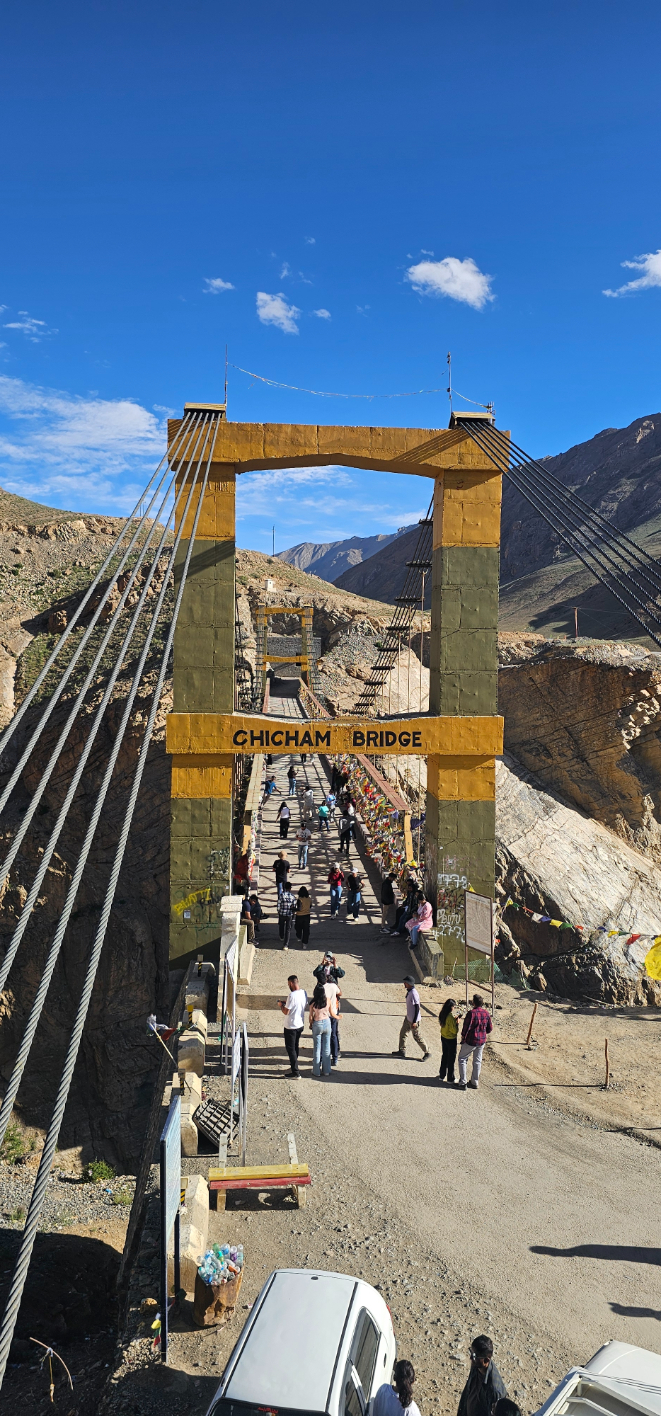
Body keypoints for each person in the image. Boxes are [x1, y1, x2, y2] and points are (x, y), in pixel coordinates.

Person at [457, 1336, 506, 1416]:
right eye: (471, 1352)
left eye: (474, 1356)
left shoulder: (494, 1391)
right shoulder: (477, 1365)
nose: (470, 1358)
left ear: (486, 1360)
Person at [457, 994, 493, 1090]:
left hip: (470, 1040)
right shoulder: (486, 1013)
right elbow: (489, 1029)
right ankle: (474, 1082)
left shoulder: (471, 1013)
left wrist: (463, 1037)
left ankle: (463, 1082)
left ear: (473, 1003)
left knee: (462, 1059)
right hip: (481, 1041)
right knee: (477, 1061)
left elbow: (466, 1028)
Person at [392, 975, 431, 1060]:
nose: (404, 983)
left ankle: (427, 1052)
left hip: (414, 1020)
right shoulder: (410, 992)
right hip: (408, 1018)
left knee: (417, 1037)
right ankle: (402, 1050)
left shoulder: (413, 993)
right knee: (403, 1033)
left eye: (406, 982)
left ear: (409, 983)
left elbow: (417, 1008)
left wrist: (414, 1021)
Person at [278, 973, 307, 1079]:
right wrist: (287, 1002)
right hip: (300, 1024)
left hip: (291, 1026)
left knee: (291, 1049)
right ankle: (294, 1066)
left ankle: (295, 1072)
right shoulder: (303, 992)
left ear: (291, 983)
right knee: (295, 1046)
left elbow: (286, 1011)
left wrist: (281, 1006)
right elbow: (297, 1003)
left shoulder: (291, 995)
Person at [309, 981, 331, 1077]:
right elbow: (331, 1012)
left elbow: (311, 1017)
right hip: (327, 1023)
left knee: (317, 1049)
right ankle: (326, 1070)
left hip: (317, 1023)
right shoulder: (327, 1000)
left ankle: (316, 1071)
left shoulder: (313, 1003)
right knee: (326, 1048)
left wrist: (311, 1024)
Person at [438, 998, 459, 1084]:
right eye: (454, 1006)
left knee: (445, 1056)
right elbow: (454, 1031)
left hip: (443, 1037)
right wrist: (457, 1023)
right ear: (451, 1007)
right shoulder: (450, 1017)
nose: (454, 1008)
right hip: (451, 1039)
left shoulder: (443, 1013)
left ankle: (442, 1075)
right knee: (451, 1059)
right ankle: (450, 1078)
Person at [278, 883, 297, 949]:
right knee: (288, 929)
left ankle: (281, 936)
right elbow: (294, 906)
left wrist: (279, 911)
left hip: (282, 913)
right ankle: (286, 944)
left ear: (285, 888)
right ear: (290, 888)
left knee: (281, 925)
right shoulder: (292, 896)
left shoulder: (281, 895)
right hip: (289, 914)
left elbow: (279, 904)